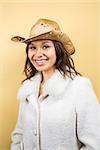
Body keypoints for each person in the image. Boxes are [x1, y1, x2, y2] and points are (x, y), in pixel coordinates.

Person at [11, 18, 100, 150]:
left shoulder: (79, 87)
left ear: (58, 50)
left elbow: (94, 143)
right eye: (32, 48)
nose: (37, 54)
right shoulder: (27, 89)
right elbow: (19, 135)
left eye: (45, 46)